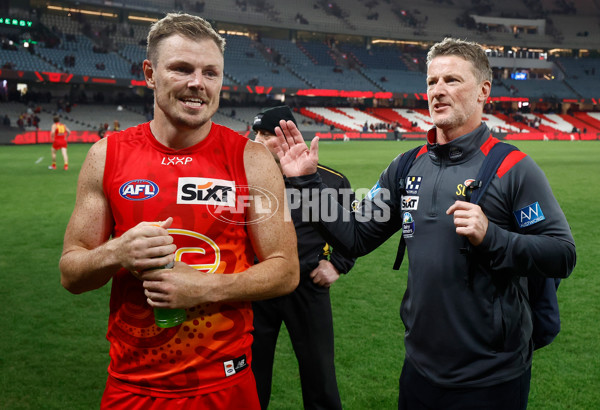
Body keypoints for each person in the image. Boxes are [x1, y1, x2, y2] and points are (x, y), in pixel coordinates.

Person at [267, 37, 576, 409]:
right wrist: (306, 183)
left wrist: (493, 237)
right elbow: (356, 237)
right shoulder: (406, 166)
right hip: (419, 368)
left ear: (483, 91)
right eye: (432, 82)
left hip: (492, 376)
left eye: (452, 80)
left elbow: (562, 254)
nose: (438, 91)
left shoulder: (514, 169)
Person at [59, 13, 299, 409]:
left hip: (225, 385)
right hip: (133, 386)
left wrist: (202, 287)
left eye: (211, 72)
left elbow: (286, 269)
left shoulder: (252, 160)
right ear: (150, 73)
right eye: (182, 69)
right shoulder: (106, 156)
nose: (197, 84)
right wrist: (117, 251)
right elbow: (71, 274)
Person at [250, 106, 356, 409]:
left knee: (319, 374)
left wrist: (338, 264)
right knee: (250, 376)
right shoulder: (242, 180)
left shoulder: (331, 182)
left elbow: (351, 230)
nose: (257, 141)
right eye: (256, 133)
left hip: (308, 287)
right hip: (256, 286)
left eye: (267, 135)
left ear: (287, 136)